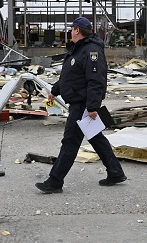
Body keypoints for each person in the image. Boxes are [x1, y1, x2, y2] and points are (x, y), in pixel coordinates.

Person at [35, 17, 126, 194]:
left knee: (70, 141)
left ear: (77, 30)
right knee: (96, 138)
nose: (70, 32)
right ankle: (115, 172)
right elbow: (70, 77)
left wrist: (92, 106)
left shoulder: (91, 51)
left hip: (83, 105)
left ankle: (54, 181)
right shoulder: (78, 50)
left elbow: (96, 80)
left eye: (71, 29)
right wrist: (55, 90)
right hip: (80, 102)